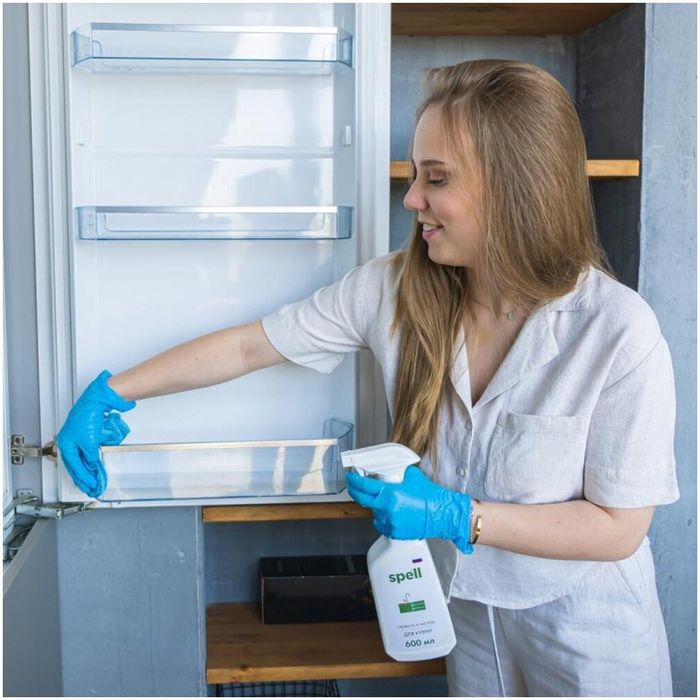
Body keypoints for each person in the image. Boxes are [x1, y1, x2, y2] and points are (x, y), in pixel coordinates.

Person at [57, 60, 679, 696]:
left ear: (515, 188)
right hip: (466, 610)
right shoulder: (393, 289)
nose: (411, 200)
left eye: (436, 178)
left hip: (587, 627)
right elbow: (249, 346)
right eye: (415, 176)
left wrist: (456, 515)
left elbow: (618, 527)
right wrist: (113, 391)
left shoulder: (615, 330)